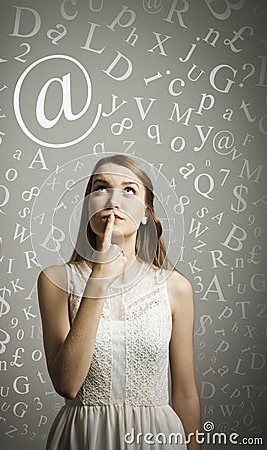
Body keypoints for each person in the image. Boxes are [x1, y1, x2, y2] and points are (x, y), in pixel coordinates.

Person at [37, 154, 201, 449]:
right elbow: (67, 384)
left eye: (129, 190)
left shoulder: (176, 287)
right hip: (84, 438)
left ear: (145, 214)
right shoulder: (55, 281)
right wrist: (99, 273)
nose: (114, 199)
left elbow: (186, 393)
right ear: (88, 207)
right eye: (101, 187)